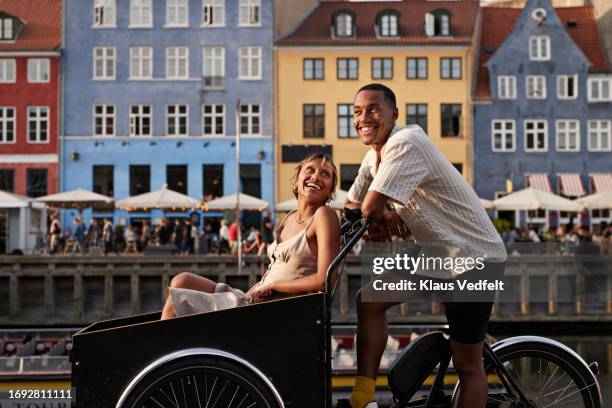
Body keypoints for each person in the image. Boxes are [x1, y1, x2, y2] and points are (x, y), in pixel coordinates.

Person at [337, 84, 507, 408]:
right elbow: (351, 207)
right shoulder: (374, 158)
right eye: (357, 112)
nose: (363, 118)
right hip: (438, 252)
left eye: (373, 109)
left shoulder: (405, 142)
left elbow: (370, 208)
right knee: (368, 299)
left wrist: (381, 216)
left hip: (474, 257)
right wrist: (375, 217)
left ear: (394, 114)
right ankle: (362, 399)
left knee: (467, 364)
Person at [161, 153, 341, 320]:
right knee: (181, 281)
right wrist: (260, 287)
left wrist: (273, 286)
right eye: (310, 170)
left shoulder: (324, 215)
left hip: (272, 313)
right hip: (252, 300)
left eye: (325, 174)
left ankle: (163, 352)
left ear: (330, 192)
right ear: (296, 180)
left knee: (176, 302)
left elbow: (324, 281)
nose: (316, 176)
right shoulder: (289, 217)